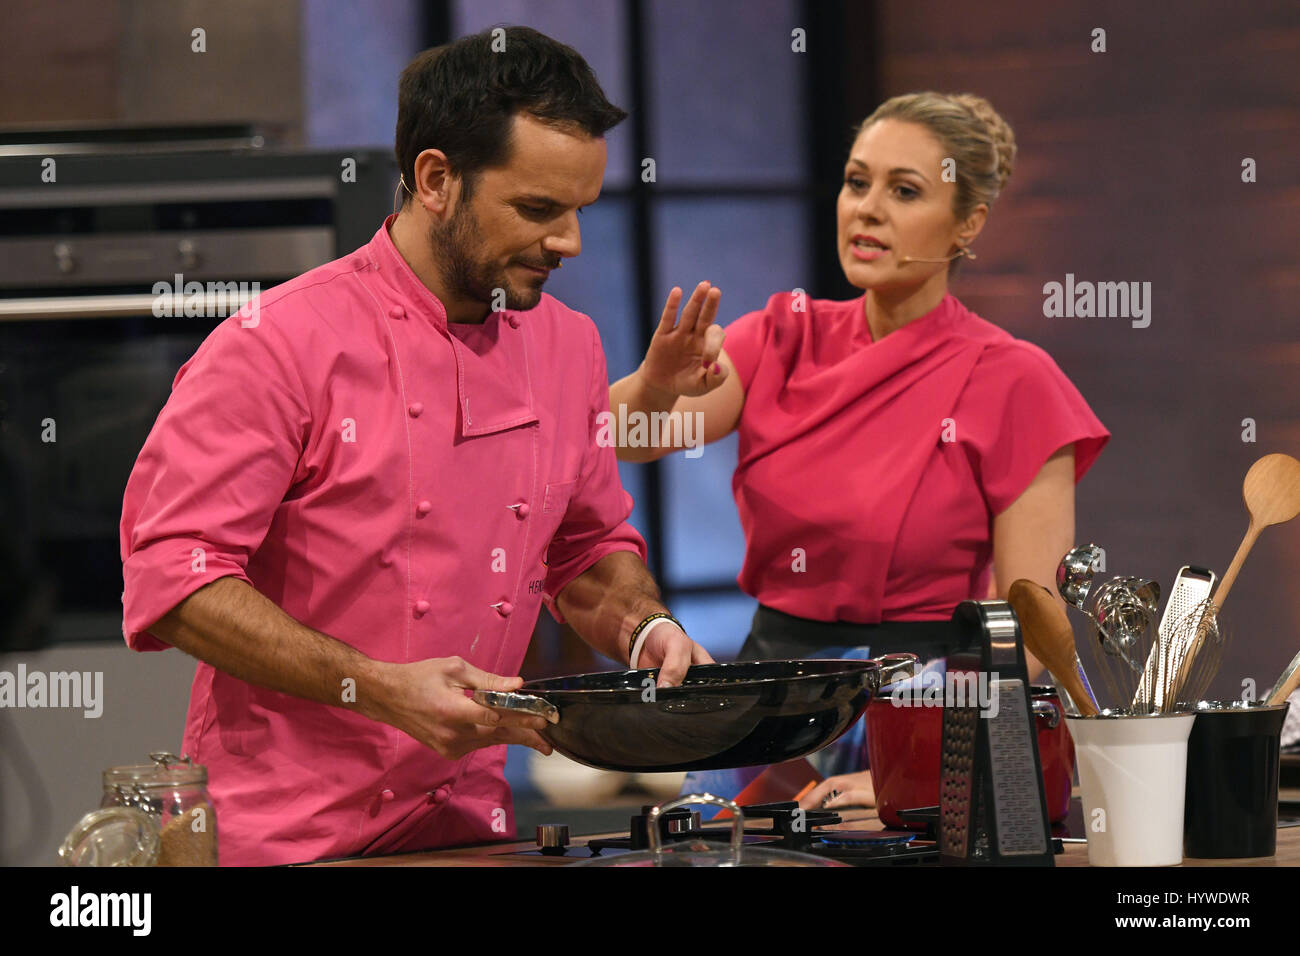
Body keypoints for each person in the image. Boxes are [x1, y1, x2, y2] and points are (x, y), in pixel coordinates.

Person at [119, 26, 712, 866]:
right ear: (437, 180)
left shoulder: (567, 345)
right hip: (285, 839)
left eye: (581, 210)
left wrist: (646, 628)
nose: (570, 242)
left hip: (467, 828)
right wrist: (383, 689)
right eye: (539, 210)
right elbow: (174, 575)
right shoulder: (279, 343)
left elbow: (584, 545)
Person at [608, 92, 1110, 811]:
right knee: (700, 845)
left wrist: (912, 773)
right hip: (771, 693)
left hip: (932, 704)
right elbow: (627, 441)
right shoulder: (781, 336)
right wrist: (654, 386)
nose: (867, 208)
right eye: (856, 182)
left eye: (904, 191)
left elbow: (1031, 631)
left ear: (968, 225)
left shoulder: (1016, 382)